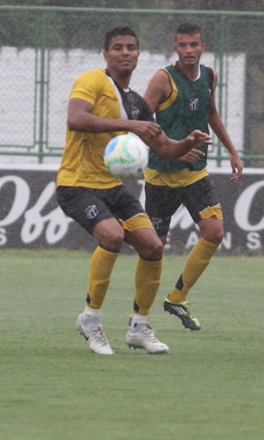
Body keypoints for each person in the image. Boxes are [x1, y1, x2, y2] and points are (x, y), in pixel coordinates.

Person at [57, 26, 212, 355]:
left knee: (153, 246)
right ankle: (90, 318)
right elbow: (75, 119)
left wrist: (186, 143)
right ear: (106, 55)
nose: (125, 52)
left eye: (131, 47)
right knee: (112, 236)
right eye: (117, 48)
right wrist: (130, 126)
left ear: (138, 55)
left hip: (112, 188)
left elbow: (164, 147)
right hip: (76, 185)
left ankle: (138, 326)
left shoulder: (136, 103)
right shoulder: (92, 81)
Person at [142, 23, 243, 331]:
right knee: (154, 248)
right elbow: (140, 123)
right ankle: (140, 319)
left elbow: (211, 113)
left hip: (195, 174)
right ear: (175, 48)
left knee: (214, 233)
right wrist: (173, 149)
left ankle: (177, 297)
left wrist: (232, 151)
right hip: (161, 176)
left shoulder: (209, 76)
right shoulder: (163, 79)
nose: (188, 50)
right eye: (183, 45)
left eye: (194, 44)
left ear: (203, 46)